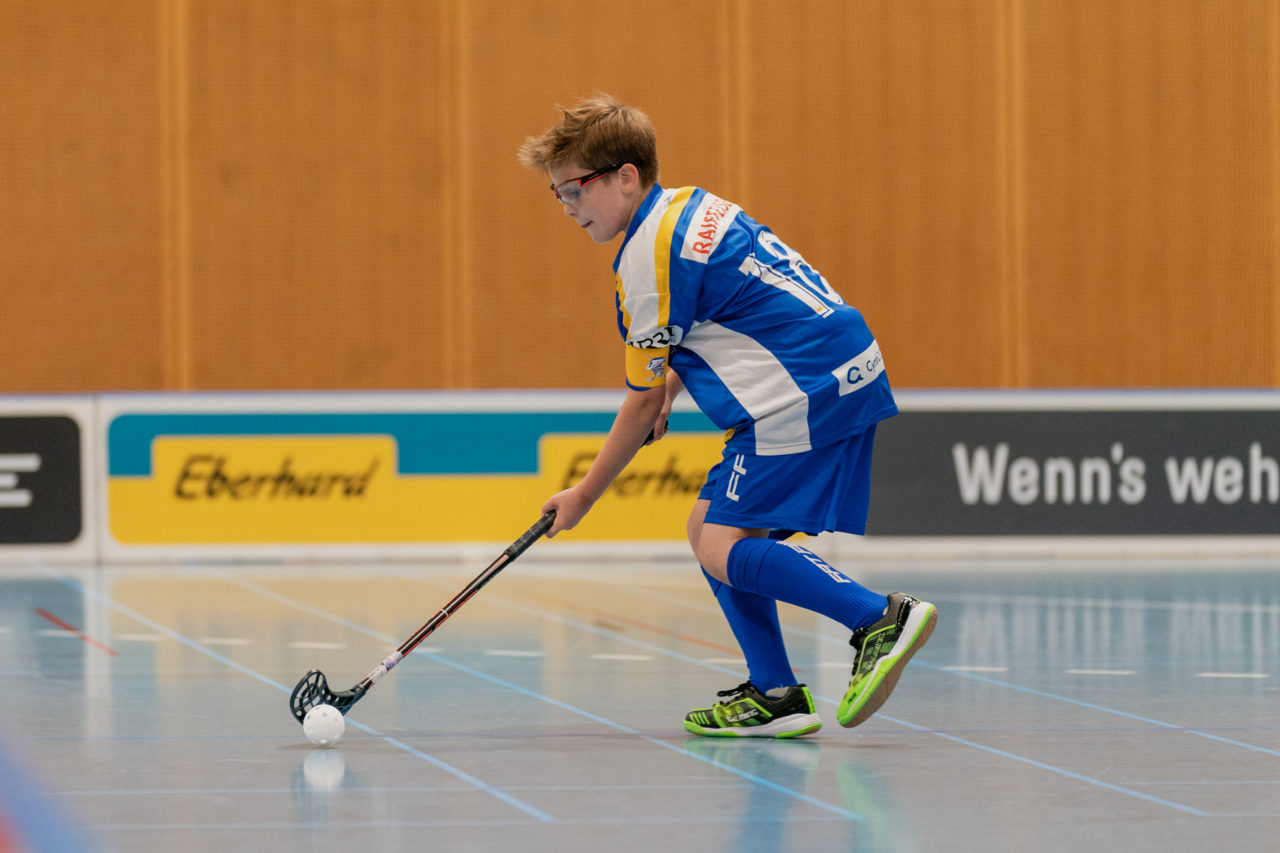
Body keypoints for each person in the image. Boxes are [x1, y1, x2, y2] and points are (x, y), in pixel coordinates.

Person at [517, 94, 936, 738]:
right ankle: (775, 692)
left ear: (626, 176)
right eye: (557, 196)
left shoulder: (643, 261)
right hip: (838, 363)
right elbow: (723, 318)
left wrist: (584, 494)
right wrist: (671, 391)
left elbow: (638, 403)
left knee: (723, 544)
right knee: (706, 528)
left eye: (574, 189)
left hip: (797, 390)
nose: (567, 208)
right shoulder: (689, 207)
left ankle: (876, 617)